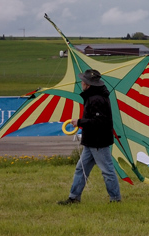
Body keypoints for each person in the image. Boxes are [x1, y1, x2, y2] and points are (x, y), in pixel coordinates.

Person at [58, 69, 121, 204]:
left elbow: (99, 122)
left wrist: (79, 122)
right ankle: (74, 197)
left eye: (83, 81)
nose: (82, 83)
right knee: (81, 169)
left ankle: (115, 199)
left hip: (98, 142)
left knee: (107, 170)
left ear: (88, 84)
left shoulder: (96, 99)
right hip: (92, 141)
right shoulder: (95, 96)